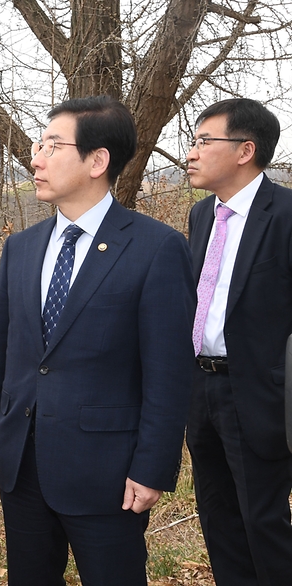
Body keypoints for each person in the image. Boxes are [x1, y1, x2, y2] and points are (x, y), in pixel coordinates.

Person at [0, 96, 195, 585]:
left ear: (97, 160)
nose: (36, 157)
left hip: (108, 472)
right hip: (21, 463)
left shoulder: (156, 248)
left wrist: (153, 467)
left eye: (53, 145)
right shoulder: (22, 247)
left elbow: (169, 372)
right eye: (38, 144)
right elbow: (2, 351)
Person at [186, 98, 292, 584]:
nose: (192, 151)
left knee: (265, 524)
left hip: (261, 394)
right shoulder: (202, 216)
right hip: (202, 390)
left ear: (245, 150)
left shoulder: (285, 214)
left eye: (205, 141)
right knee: (218, 519)